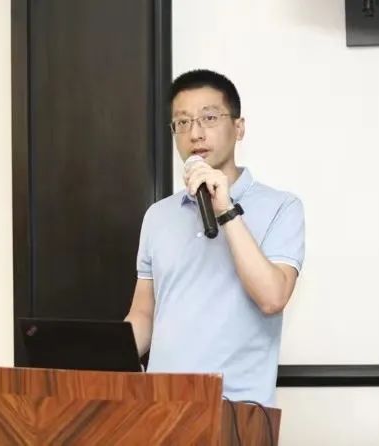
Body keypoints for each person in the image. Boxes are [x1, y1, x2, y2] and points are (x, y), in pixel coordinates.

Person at [124, 69, 305, 407]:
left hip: (236, 409)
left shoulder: (282, 207)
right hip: (158, 408)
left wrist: (225, 209)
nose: (195, 133)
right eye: (182, 122)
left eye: (208, 118)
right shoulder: (158, 216)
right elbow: (144, 315)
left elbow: (272, 297)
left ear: (239, 127)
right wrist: (92, 361)